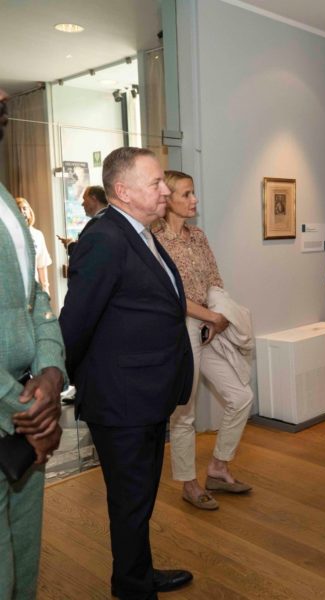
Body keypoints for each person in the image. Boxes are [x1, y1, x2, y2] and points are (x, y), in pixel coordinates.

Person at [59, 147, 195, 599]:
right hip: (121, 398)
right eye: (155, 183)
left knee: (138, 498)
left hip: (145, 393)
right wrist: (68, 380)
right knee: (130, 499)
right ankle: (133, 588)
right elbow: (75, 323)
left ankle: (135, 574)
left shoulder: (138, 232)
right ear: (123, 190)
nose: (164, 191)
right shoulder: (106, 237)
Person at [153, 170, 254, 511]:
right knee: (184, 412)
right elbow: (171, 296)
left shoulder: (198, 236)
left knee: (241, 396)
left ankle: (218, 468)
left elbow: (214, 279)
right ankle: (189, 483)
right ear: (168, 199)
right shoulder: (156, 241)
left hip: (208, 327)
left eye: (193, 192)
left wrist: (216, 318)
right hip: (180, 329)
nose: (194, 199)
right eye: (187, 194)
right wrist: (211, 316)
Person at [0, 86, 66, 600]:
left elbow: (35, 297)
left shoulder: (5, 198)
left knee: (24, 556)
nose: (4, 93)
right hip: (19, 414)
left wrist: (50, 371)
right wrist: (25, 411)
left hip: (27, 412)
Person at [15, 196, 52, 295]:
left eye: (24, 208)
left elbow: (41, 264)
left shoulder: (38, 235)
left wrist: (45, 288)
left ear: (29, 212)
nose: (22, 212)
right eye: (18, 209)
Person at [57, 185, 109, 255]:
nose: (82, 204)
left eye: (84, 199)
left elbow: (82, 252)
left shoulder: (97, 221)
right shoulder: (110, 218)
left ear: (94, 199)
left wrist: (69, 244)